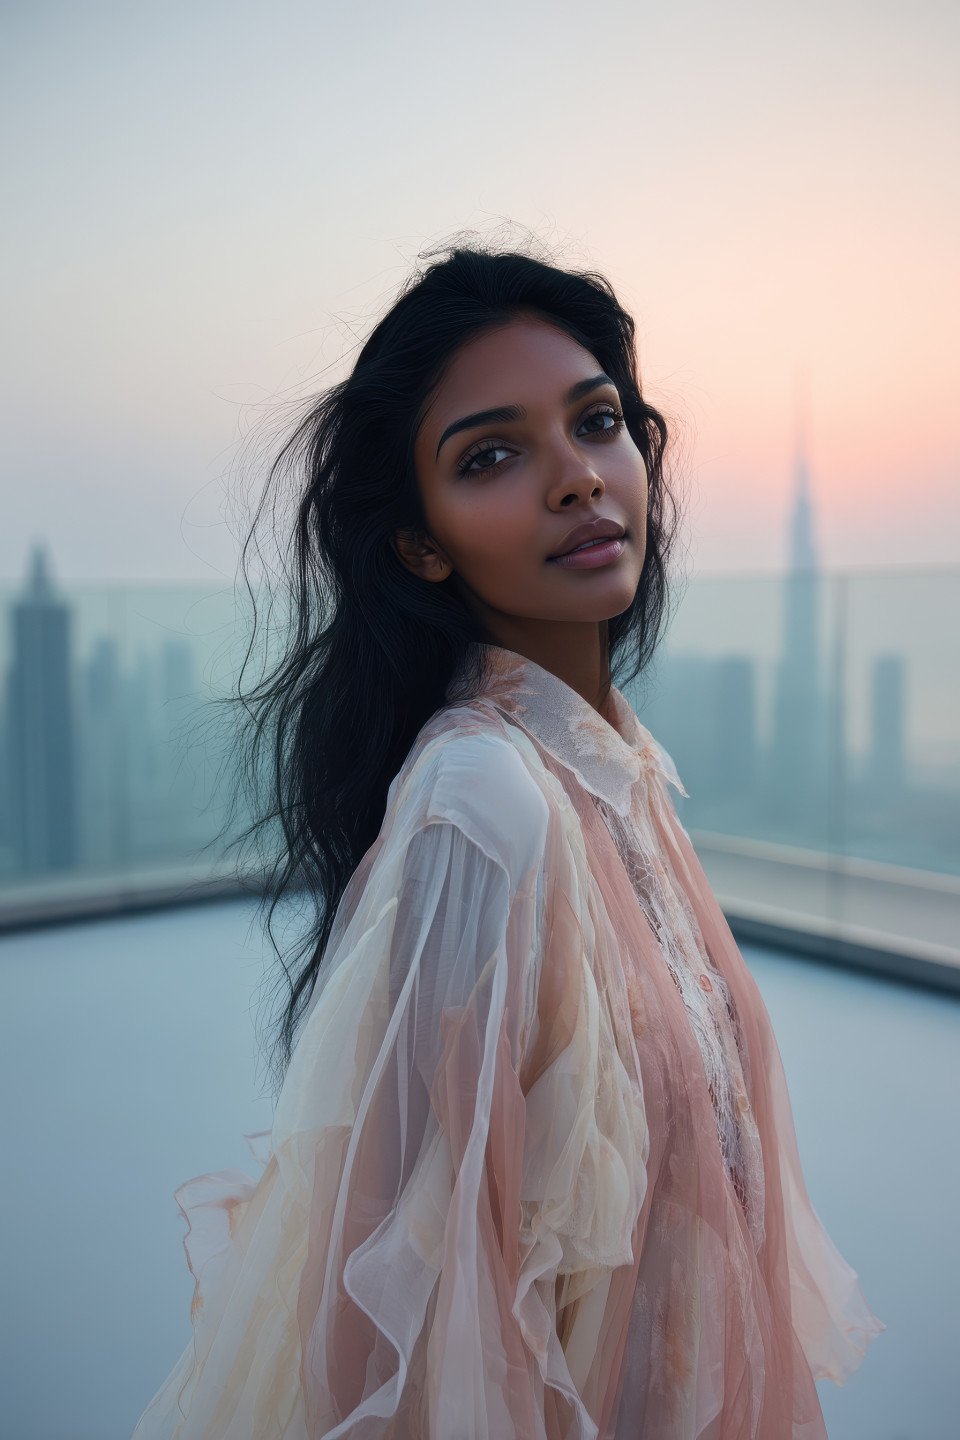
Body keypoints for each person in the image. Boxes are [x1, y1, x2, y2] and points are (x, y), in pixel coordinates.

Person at [131, 231, 884, 1438]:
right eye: (492, 455)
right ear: (420, 542)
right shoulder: (486, 801)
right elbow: (410, 1338)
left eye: (598, 423)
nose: (580, 477)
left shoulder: (617, 770)